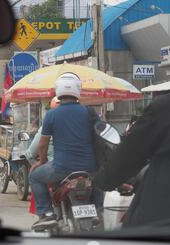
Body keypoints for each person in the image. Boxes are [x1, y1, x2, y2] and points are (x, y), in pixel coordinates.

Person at [29, 73, 101, 230]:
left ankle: (46, 214)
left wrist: (41, 161)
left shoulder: (51, 115)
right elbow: (102, 135)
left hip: (61, 169)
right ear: (78, 90)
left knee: (34, 176)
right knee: (99, 179)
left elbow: (42, 145)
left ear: (58, 91)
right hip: (90, 167)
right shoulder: (89, 112)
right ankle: (97, 209)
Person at [94, 93, 170, 227]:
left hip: (160, 215)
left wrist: (104, 179)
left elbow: (131, 153)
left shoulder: (164, 106)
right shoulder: (88, 114)